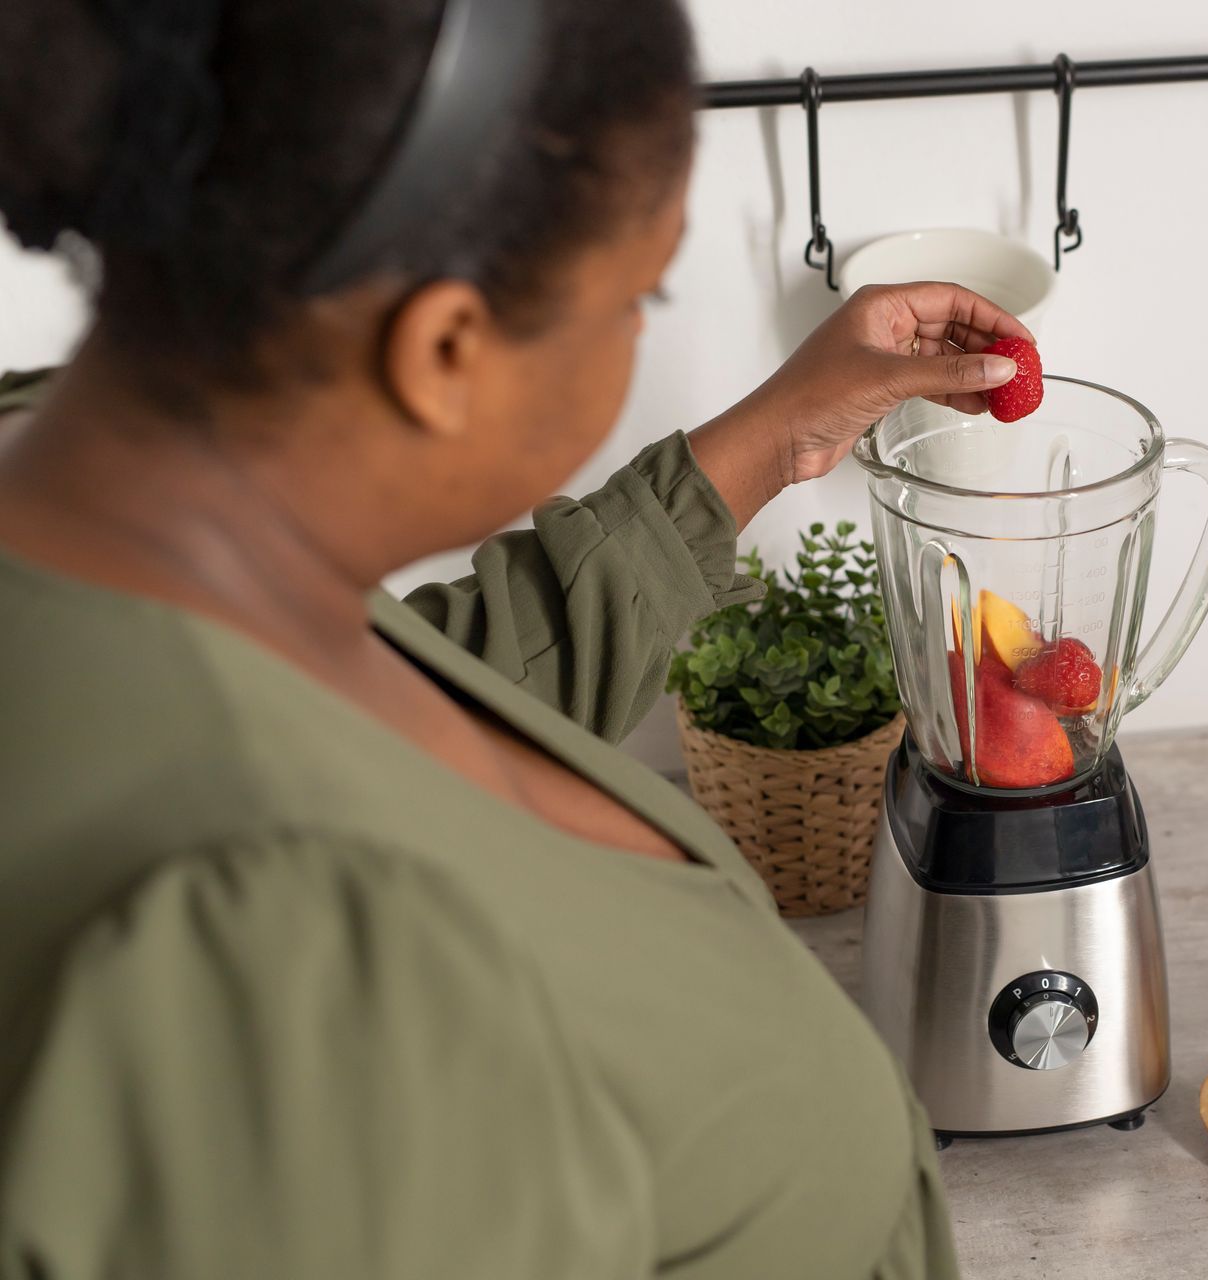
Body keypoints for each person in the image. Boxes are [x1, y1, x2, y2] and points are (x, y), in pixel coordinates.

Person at [0, 2, 1032, 1276]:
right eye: (635, 294)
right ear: (444, 347)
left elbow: (418, 700)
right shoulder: (276, 948)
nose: (642, 329)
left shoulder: (90, 501)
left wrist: (779, 435)